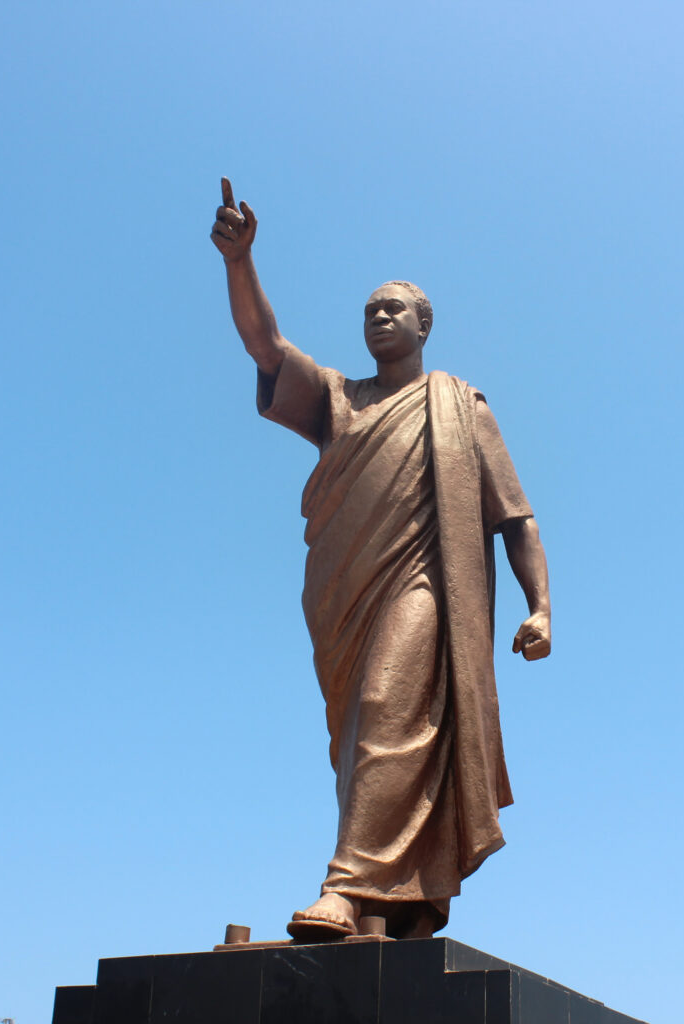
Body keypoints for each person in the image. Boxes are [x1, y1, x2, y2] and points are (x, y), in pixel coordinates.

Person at [211, 179, 551, 941]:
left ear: (425, 325)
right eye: (369, 309)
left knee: (389, 720)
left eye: (393, 307)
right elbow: (266, 347)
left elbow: (514, 517)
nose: (379, 317)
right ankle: (385, 904)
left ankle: (345, 885)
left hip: (425, 584)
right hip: (343, 596)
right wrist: (240, 262)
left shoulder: (462, 406)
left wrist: (541, 606)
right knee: (366, 727)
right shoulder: (341, 400)